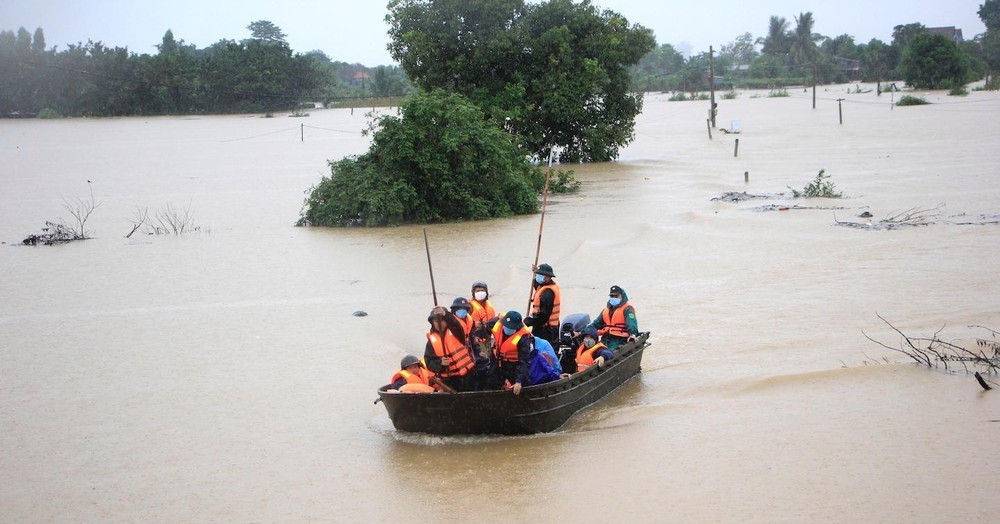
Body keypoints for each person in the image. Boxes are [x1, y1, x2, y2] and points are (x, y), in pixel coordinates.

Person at [423, 306, 476, 392]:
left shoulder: (456, 332)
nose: (440, 323)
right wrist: (441, 364)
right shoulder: (431, 342)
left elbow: (455, 324)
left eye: (442, 320)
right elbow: (429, 362)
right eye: (436, 321)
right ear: (432, 323)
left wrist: (446, 314)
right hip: (450, 380)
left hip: (469, 376)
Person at [491, 310, 535, 395]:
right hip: (498, 362)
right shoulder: (497, 325)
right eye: (506, 326)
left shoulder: (523, 339)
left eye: (511, 328)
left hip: (515, 365)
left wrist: (519, 381)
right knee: (491, 383)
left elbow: (524, 361)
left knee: (522, 388)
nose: (507, 329)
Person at [587, 285, 638, 351]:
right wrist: (583, 332)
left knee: (607, 354)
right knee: (592, 351)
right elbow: (596, 324)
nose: (614, 298)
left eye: (616, 296)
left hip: (621, 340)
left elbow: (632, 324)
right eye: (612, 296)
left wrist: (632, 334)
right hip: (606, 339)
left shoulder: (627, 309)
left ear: (622, 296)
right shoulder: (606, 310)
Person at [525, 263, 561, 348]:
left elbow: (544, 316)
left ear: (548, 277)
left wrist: (529, 321)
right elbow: (536, 283)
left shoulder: (548, 293)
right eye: (538, 274)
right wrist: (535, 271)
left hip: (547, 329)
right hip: (543, 327)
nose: (538, 277)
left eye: (541, 275)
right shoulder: (543, 286)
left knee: (544, 352)